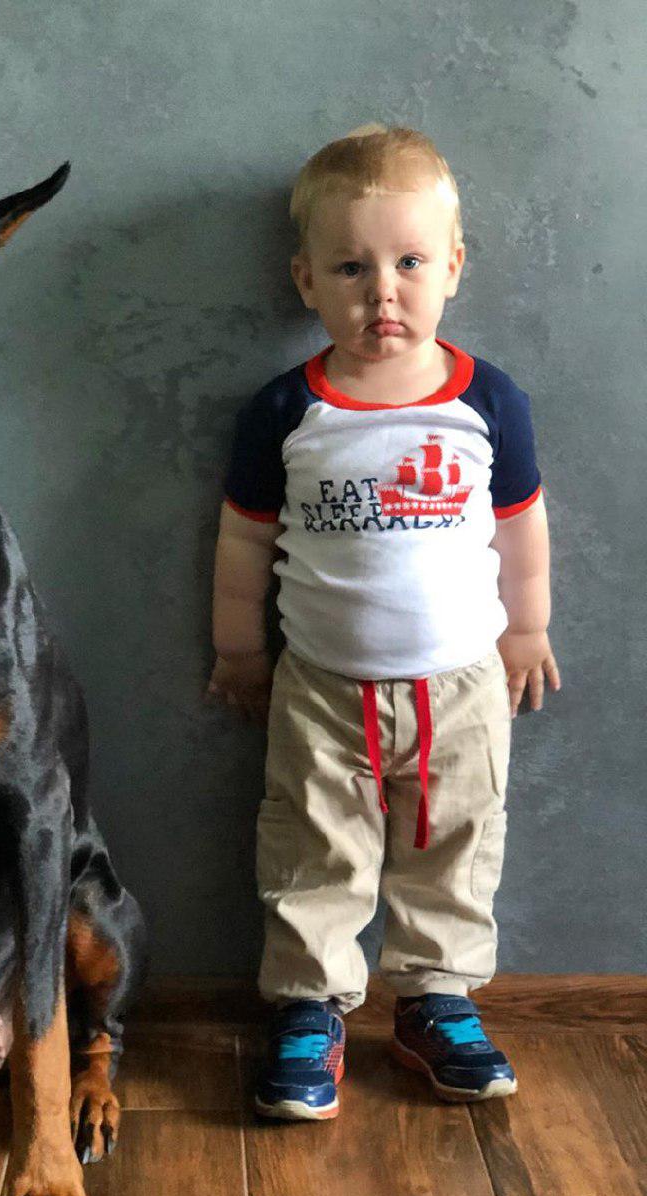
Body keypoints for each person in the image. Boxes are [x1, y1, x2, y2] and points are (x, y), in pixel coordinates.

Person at [209, 123, 561, 1119]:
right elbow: (242, 541)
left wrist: (526, 628)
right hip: (319, 684)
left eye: (410, 262)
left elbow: (521, 529)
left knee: (453, 840)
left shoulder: (488, 401)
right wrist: (240, 649)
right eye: (351, 267)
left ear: (451, 266)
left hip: (460, 682)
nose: (383, 291)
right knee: (313, 846)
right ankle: (308, 1008)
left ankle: (435, 998)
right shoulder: (285, 409)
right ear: (305, 281)